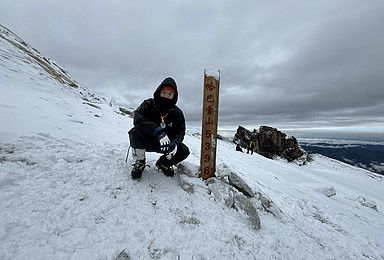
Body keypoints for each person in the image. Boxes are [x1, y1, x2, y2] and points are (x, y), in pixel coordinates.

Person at [128, 77, 190, 180]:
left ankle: (163, 163)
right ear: (159, 92)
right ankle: (140, 162)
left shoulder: (177, 113)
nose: (166, 96)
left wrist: (175, 143)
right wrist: (157, 131)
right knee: (134, 133)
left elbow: (180, 132)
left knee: (183, 150)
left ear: (174, 96)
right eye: (164, 92)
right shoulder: (148, 104)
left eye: (170, 94)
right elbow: (138, 119)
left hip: (165, 145)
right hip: (147, 141)